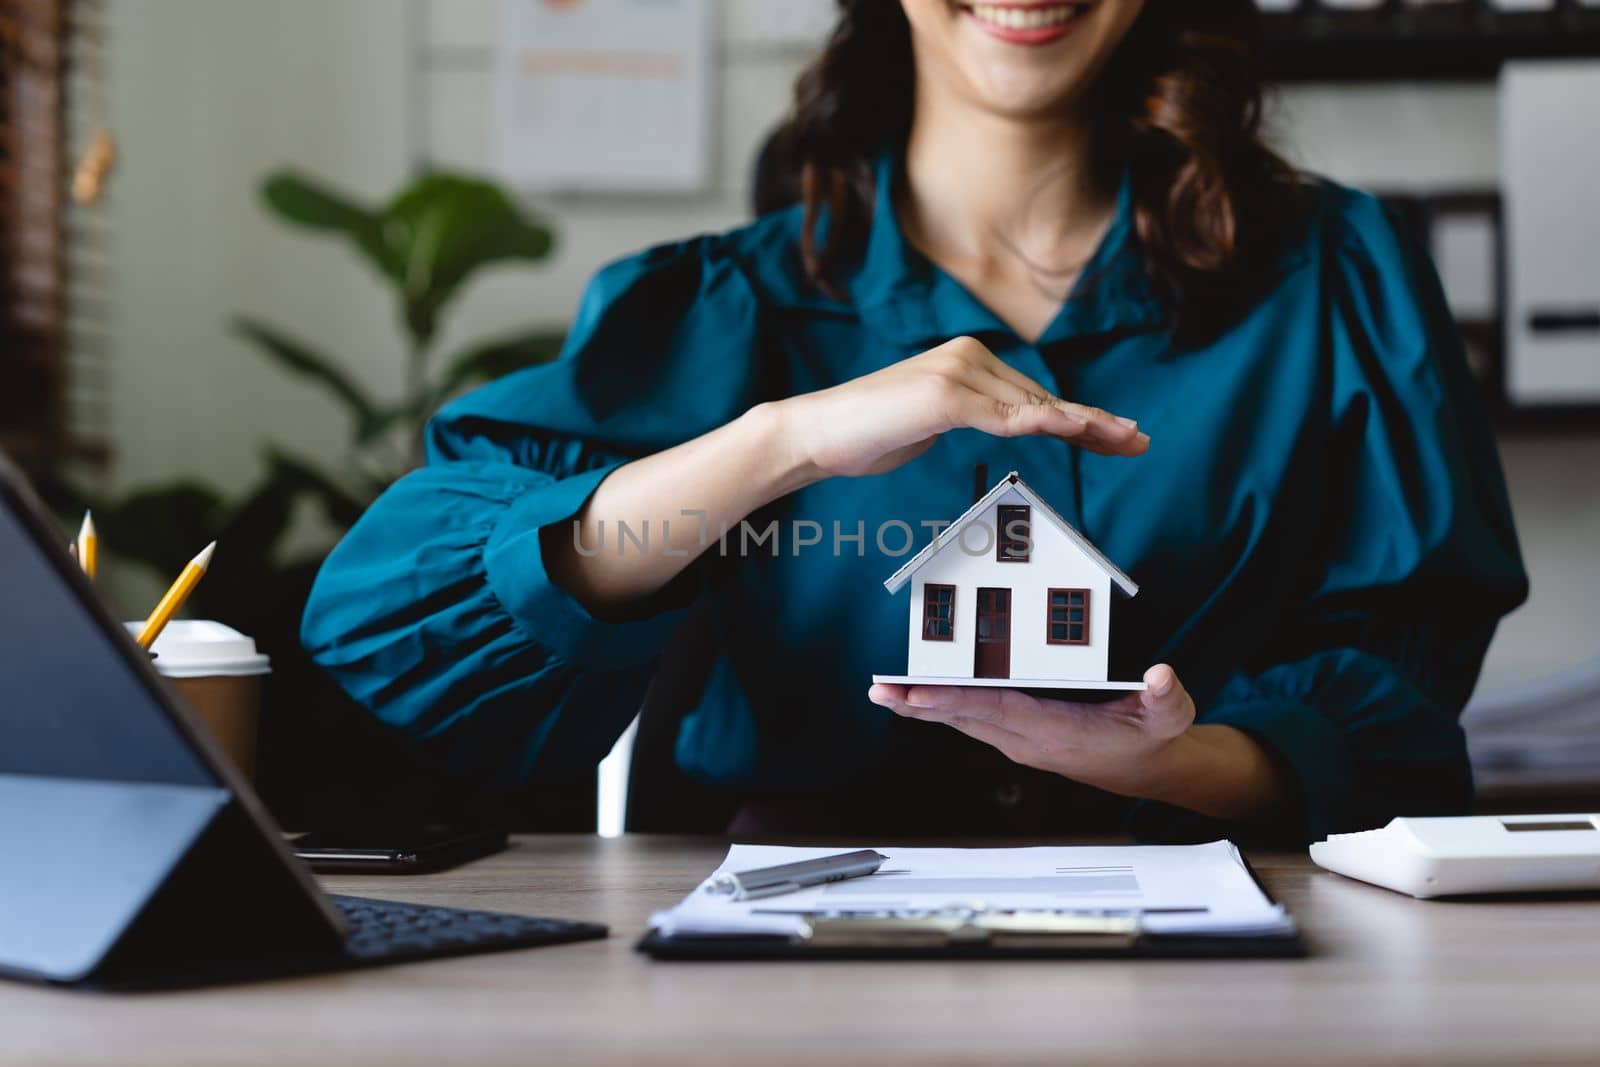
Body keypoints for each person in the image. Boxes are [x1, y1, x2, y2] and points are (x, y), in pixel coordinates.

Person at [302, 0, 1527, 843]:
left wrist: (1178, 759)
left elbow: (1402, 676)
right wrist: (780, 441)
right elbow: (391, 624)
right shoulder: (721, 306)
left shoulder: (1337, 275)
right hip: (791, 965)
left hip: (1227, 945)